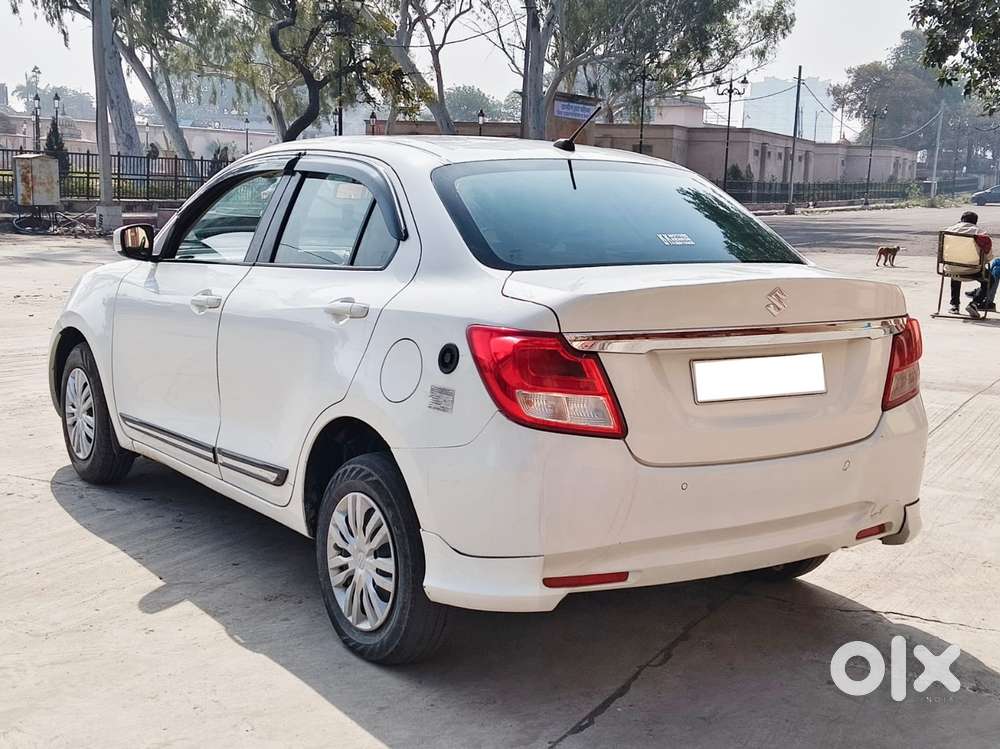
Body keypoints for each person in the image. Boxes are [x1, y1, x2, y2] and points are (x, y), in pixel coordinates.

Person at [944, 211, 993, 317]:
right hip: (973, 270)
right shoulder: (980, 233)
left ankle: (955, 306)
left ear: (961, 219)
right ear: (975, 222)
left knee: (955, 269)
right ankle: (974, 303)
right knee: (991, 279)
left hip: (950, 268)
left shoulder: (948, 230)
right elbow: (988, 256)